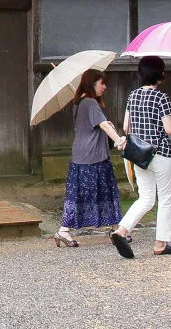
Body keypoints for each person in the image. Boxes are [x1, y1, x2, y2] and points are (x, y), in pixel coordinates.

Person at [110, 55, 171, 259]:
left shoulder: (132, 96)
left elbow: (126, 127)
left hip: (139, 155)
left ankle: (122, 230)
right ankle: (161, 243)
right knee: (165, 198)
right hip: (161, 153)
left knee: (146, 198)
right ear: (159, 74)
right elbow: (169, 129)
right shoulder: (162, 98)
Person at [54, 68, 128, 247]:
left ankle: (114, 228)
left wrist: (107, 126)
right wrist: (118, 139)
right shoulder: (90, 103)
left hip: (81, 155)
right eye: (102, 83)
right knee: (103, 192)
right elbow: (102, 125)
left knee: (81, 194)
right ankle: (65, 230)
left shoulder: (79, 103)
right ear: (92, 83)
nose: (105, 87)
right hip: (93, 156)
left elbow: (96, 125)